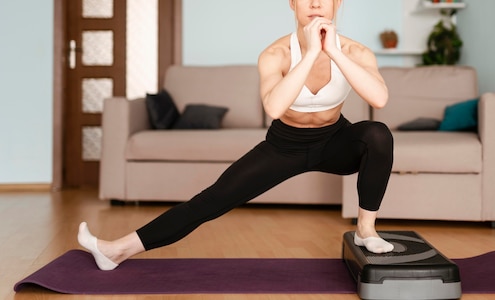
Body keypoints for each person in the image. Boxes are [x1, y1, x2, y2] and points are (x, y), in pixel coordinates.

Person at [78, 0, 394, 271]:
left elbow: (378, 99)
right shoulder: (275, 54)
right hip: (285, 146)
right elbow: (274, 107)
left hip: (335, 143)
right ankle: (116, 251)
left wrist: (333, 51)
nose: (314, 4)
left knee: (377, 134)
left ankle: (366, 229)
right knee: (209, 201)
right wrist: (311, 53)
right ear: (292, 3)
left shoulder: (356, 52)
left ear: (337, 3)